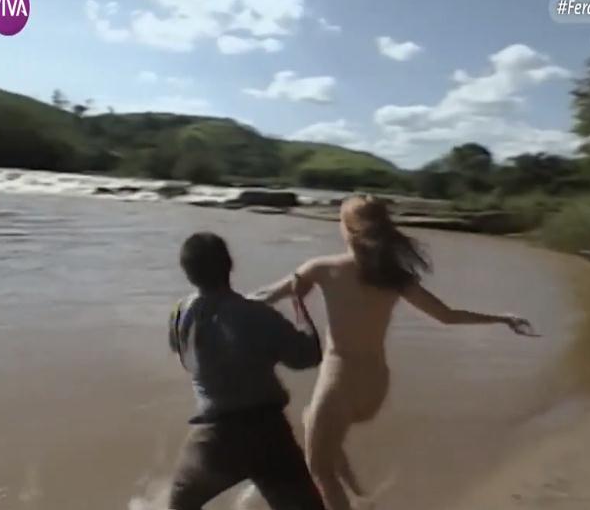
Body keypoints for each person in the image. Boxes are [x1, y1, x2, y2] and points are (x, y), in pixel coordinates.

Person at [251, 195, 537, 510]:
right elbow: (448, 315)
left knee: (319, 468)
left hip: (339, 381)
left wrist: (220, 301)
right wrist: (502, 318)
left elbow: (266, 296)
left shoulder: (322, 268)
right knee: (313, 423)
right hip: (375, 385)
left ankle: (350, 502)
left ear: (348, 229)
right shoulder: (395, 277)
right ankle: (359, 495)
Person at [167, 232, 326, 510]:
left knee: (180, 504)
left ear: (187, 274)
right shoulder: (257, 314)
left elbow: (184, 358)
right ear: (230, 265)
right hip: (268, 435)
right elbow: (308, 356)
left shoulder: (179, 314)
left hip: (213, 438)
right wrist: (299, 306)